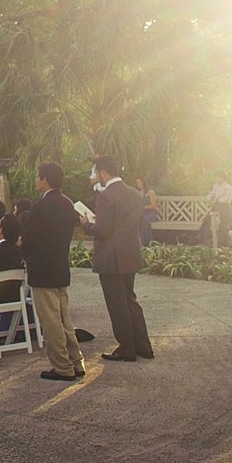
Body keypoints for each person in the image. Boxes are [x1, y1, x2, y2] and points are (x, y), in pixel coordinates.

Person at [82, 155, 153, 363]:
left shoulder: (105, 195)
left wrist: (86, 224)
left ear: (104, 173)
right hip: (130, 253)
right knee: (130, 300)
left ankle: (126, 349)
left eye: (96, 173)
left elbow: (103, 230)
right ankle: (143, 346)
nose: (96, 177)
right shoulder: (133, 193)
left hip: (111, 257)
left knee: (117, 304)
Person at [23, 161, 86, 380]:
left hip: (42, 268)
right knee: (63, 318)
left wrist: (25, 253)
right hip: (60, 265)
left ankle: (62, 366)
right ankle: (76, 361)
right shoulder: (67, 203)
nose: (36, 180)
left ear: (45, 180)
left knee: (50, 321)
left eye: (38, 177)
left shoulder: (40, 207)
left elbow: (29, 238)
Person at [207, 171, 232, 247]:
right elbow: (211, 194)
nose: (217, 179)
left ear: (222, 178)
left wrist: (216, 200)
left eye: (219, 177)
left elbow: (226, 199)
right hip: (216, 207)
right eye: (216, 177)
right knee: (207, 221)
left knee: (223, 225)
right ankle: (208, 240)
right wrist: (209, 199)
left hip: (224, 207)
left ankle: (223, 243)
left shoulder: (228, 187)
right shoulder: (215, 186)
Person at [134, 177, 160, 247]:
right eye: (137, 182)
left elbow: (153, 206)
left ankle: (147, 243)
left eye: (139, 182)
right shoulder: (138, 193)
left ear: (144, 182)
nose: (138, 184)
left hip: (151, 213)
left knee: (144, 221)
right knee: (137, 220)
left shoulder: (150, 192)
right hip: (142, 213)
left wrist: (143, 207)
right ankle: (140, 243)